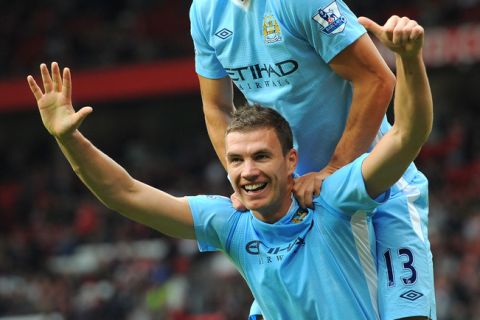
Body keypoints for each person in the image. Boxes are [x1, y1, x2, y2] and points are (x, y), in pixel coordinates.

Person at [28, 16, 432, 319]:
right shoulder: (232, 222)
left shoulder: (333, 198)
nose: (247, 170)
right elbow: (126, 193)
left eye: (260, 157)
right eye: (236, 160)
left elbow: (406, 135)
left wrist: (410, 62)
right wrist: (69, 139)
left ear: (291, 160)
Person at [190, 1, 436, 318]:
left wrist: (333, 168)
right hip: (300, 203)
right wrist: (245, 179)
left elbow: (377, 80)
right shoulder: (205, 11)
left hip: (378, 186)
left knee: (407, 315)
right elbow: (216, 107)